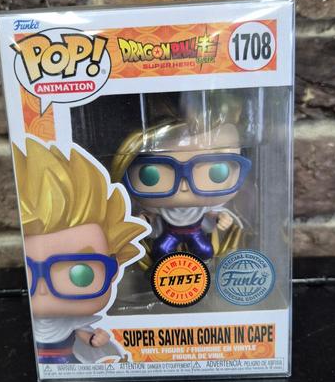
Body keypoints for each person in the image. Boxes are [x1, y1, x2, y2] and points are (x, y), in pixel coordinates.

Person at [13, 138, 148, 364]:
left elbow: (84, 333)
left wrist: (96, 338)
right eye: (29, 272)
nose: (43, 290)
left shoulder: (72, 320)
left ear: (113, 270)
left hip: (69, 362)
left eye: (81, 274)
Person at [111, 121, 251, 264]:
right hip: (171, 233)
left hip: (195, 232)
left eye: (217, 172)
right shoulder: (161, 208)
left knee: (205, 251)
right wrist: (142, 220)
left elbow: (212, 213)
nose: (184, 187)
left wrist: (221, 217)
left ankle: (203, 269)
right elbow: (150, 216)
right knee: (161, 251)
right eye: (150, 175)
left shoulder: (202, 207)